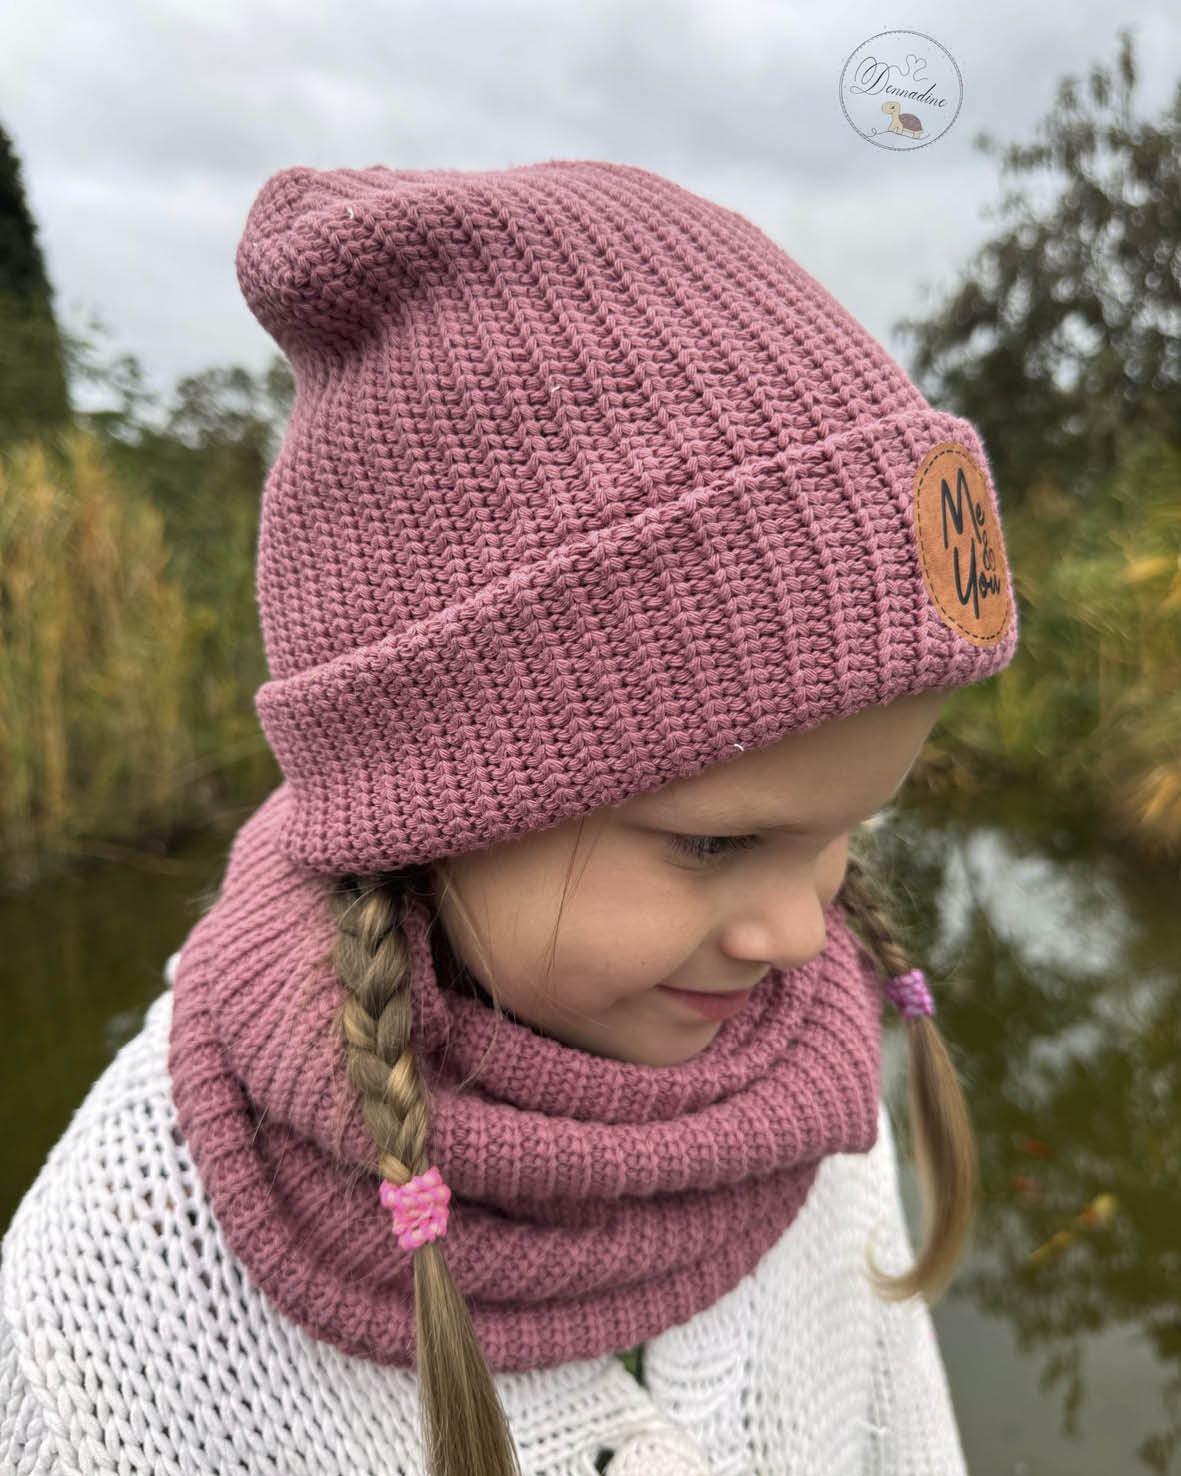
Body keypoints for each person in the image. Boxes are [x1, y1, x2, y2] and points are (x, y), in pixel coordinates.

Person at [0, 158, 1018, 1476]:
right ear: (426, 792)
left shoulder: (803, 1093)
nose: (796, 936)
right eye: (713, 844)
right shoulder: (126, 1275)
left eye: (848, 832)